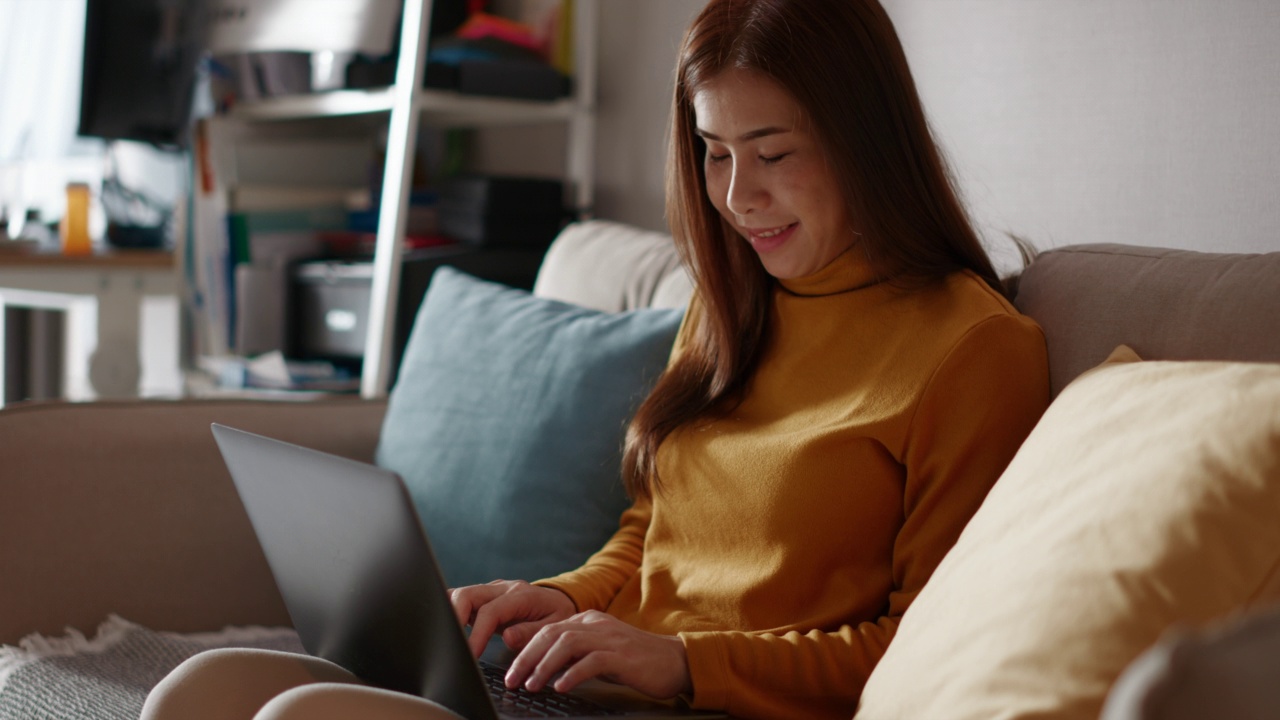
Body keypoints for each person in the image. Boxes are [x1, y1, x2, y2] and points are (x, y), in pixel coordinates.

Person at [141, 0, 1050, 718]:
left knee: (301, 718)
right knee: (200, 691)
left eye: (774, 153)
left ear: (868, 143)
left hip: (715, 705)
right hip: (596, 694)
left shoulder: (971, 350)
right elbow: (652, 534)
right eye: (714, 152)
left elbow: (926, 648)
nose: (739, 196)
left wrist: (686, 666)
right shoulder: (735, 306)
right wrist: (557, 599)